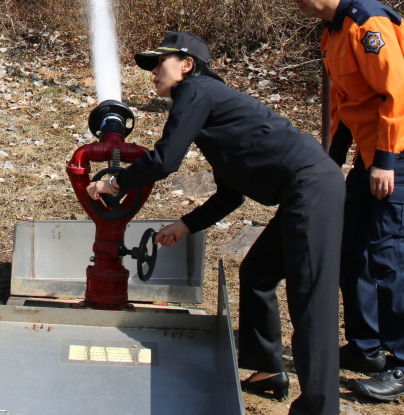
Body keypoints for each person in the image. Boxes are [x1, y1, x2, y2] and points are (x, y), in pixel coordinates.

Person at [86, 32, 345, 415]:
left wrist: (114, 182)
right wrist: (185, 225)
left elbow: (164, 160)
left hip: (311, 185)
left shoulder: (196, 92)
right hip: (302, 191)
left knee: (311, 301)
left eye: (161, 62)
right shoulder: (213, 113)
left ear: (187, 65)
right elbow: (231, 194)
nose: (153, 71)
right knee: (257, 272)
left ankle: (320, 410)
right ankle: (267, 370)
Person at [271, 0, 404, 402]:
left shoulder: (368, 24)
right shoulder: (332, 32)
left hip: (403, 150)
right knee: (349, 247)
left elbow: (397, 93)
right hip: (371, 151)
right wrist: (334, 160)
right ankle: (367, 348)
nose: (296, 0)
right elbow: (347, 104)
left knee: (388, 253)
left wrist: (385, 162)